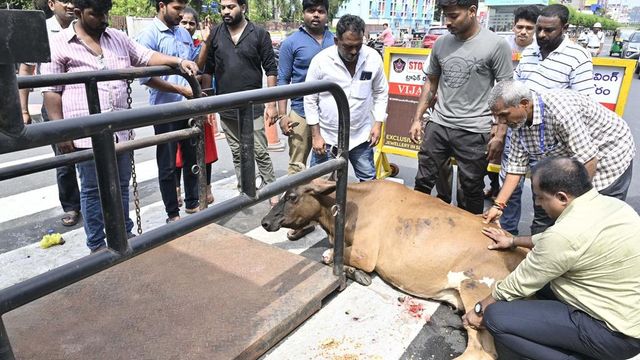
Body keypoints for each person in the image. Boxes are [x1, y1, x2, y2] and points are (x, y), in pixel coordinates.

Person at [41, 0, 199, 252]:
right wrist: (61, 130)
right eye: (96, 14)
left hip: (120, 132)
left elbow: (146, 56)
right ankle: (97, 244)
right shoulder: (59, 43)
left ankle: (124, 233)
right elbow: (51, 92)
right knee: (93, 189)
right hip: (86, 134)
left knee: (122, 184)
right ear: (79, 12)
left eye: (106, 13)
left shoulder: (117, 37)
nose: (103, 18)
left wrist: (178, 62)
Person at [463, 157, 640, 360]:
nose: (537, 203)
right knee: (540, 286)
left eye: (540, 197)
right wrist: (513, 241)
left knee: (496, 317)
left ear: (562, 197)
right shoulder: (613, 206)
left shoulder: (564, 234)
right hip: (629, 317)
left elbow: (520, 283)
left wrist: (479, 310)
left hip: (611, 333)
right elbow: (560, 240)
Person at [484, 80, 635, 234]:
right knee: (544, 217)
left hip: (607, 159)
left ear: (524, 104)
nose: (501, 122)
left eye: (503, 115)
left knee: (590, 224)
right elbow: (515, 169)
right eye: (496, 117)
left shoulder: (561, 111)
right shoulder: (516, 122)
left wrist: (575, 206)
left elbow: (588, 161)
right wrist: (498, 206)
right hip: (563, 163)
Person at [408, 0, 513, 215]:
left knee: (471, 188)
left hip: (474, 130)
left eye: (453, 16)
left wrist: (500, 133)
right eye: (445, 16)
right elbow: (431, 82)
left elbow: (505, 91)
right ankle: (415, 225)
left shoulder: (495, 45)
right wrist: (418, 119)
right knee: (423, 181)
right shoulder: (441, 44)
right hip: (438, 124)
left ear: (472, 11)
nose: (447, 22)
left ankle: (469, 238)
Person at [499, 3, 594, 235]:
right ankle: (508, 236)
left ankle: (541, 245)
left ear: (565, 28)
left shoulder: (577, 56)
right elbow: (517, 88)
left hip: (557, 138)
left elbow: (584, 106)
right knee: (511, 183)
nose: (541, 35)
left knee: (546, 198)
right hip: (526, 126)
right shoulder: (530, 51)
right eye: (538, 29)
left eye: (548, 30)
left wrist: (577, 202)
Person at [137, 0, 208, 223]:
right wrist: (180, 89)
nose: (180, 14)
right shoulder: (149, 35)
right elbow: (145, 76)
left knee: (192, 158)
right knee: (167, 163)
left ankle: (192, 203)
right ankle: (172, 213)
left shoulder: (183, 34)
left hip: (187, 107)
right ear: (162, 5)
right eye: (177, 9)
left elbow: (194, 64)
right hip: (165, 109)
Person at [205, 0, 279, 206]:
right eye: (223, 7)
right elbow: (208, 70)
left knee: (259, 150)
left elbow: (271, 69)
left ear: (243, 7)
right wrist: (207, 103)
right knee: (237, 153)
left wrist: (271, 104)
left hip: (253, 107)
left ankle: (272, 187)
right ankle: (244, 189)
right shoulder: (216, 34)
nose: (226, 11)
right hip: (226, 108)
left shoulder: (259, 34)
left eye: (231, 7)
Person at [19, 0, 81, 227]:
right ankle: (72, 206)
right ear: (52, 3)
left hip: (83, 102)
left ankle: (95, 199)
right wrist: (23, 109)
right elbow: (26, 70)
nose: (70, 4)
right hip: (54, 104)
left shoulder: (83, 26)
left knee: (93, 154)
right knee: (65, 158)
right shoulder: (40, 30)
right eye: (64, 0)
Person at [304, 14, 388, 182]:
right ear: (336, 41)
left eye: (358, 45)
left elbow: (380, 92)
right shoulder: (321, 62)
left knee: (369, 183)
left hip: (360, 137)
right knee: (318, 185)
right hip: (327, 138)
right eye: (348, 46)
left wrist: (378, 123)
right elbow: (310, 99)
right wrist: (316, 135)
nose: (354, 51)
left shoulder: (373, 58)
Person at [276, 0, 334, 240]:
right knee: (298, 167)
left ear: (327, 14)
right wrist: (282, 114)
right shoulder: (292, 43)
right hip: (300, 111)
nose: (316, 15)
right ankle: (297, 219)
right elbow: (283, 80)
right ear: (304, 14)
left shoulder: (336, 40)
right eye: (311, 11)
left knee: (328, 170)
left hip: (330, 114)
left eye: (321, 11)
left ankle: (323, 215)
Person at [175, 6, 217, 206]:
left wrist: (206, 43)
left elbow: (201, 70)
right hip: (174, 104)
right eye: (184, 22)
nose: (188, 26)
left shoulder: (197, 46)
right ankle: (177, 190)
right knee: (175, 152)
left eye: (192, 23)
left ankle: (203, 190)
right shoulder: (172, 41)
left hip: (196, 104)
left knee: (203, 148)